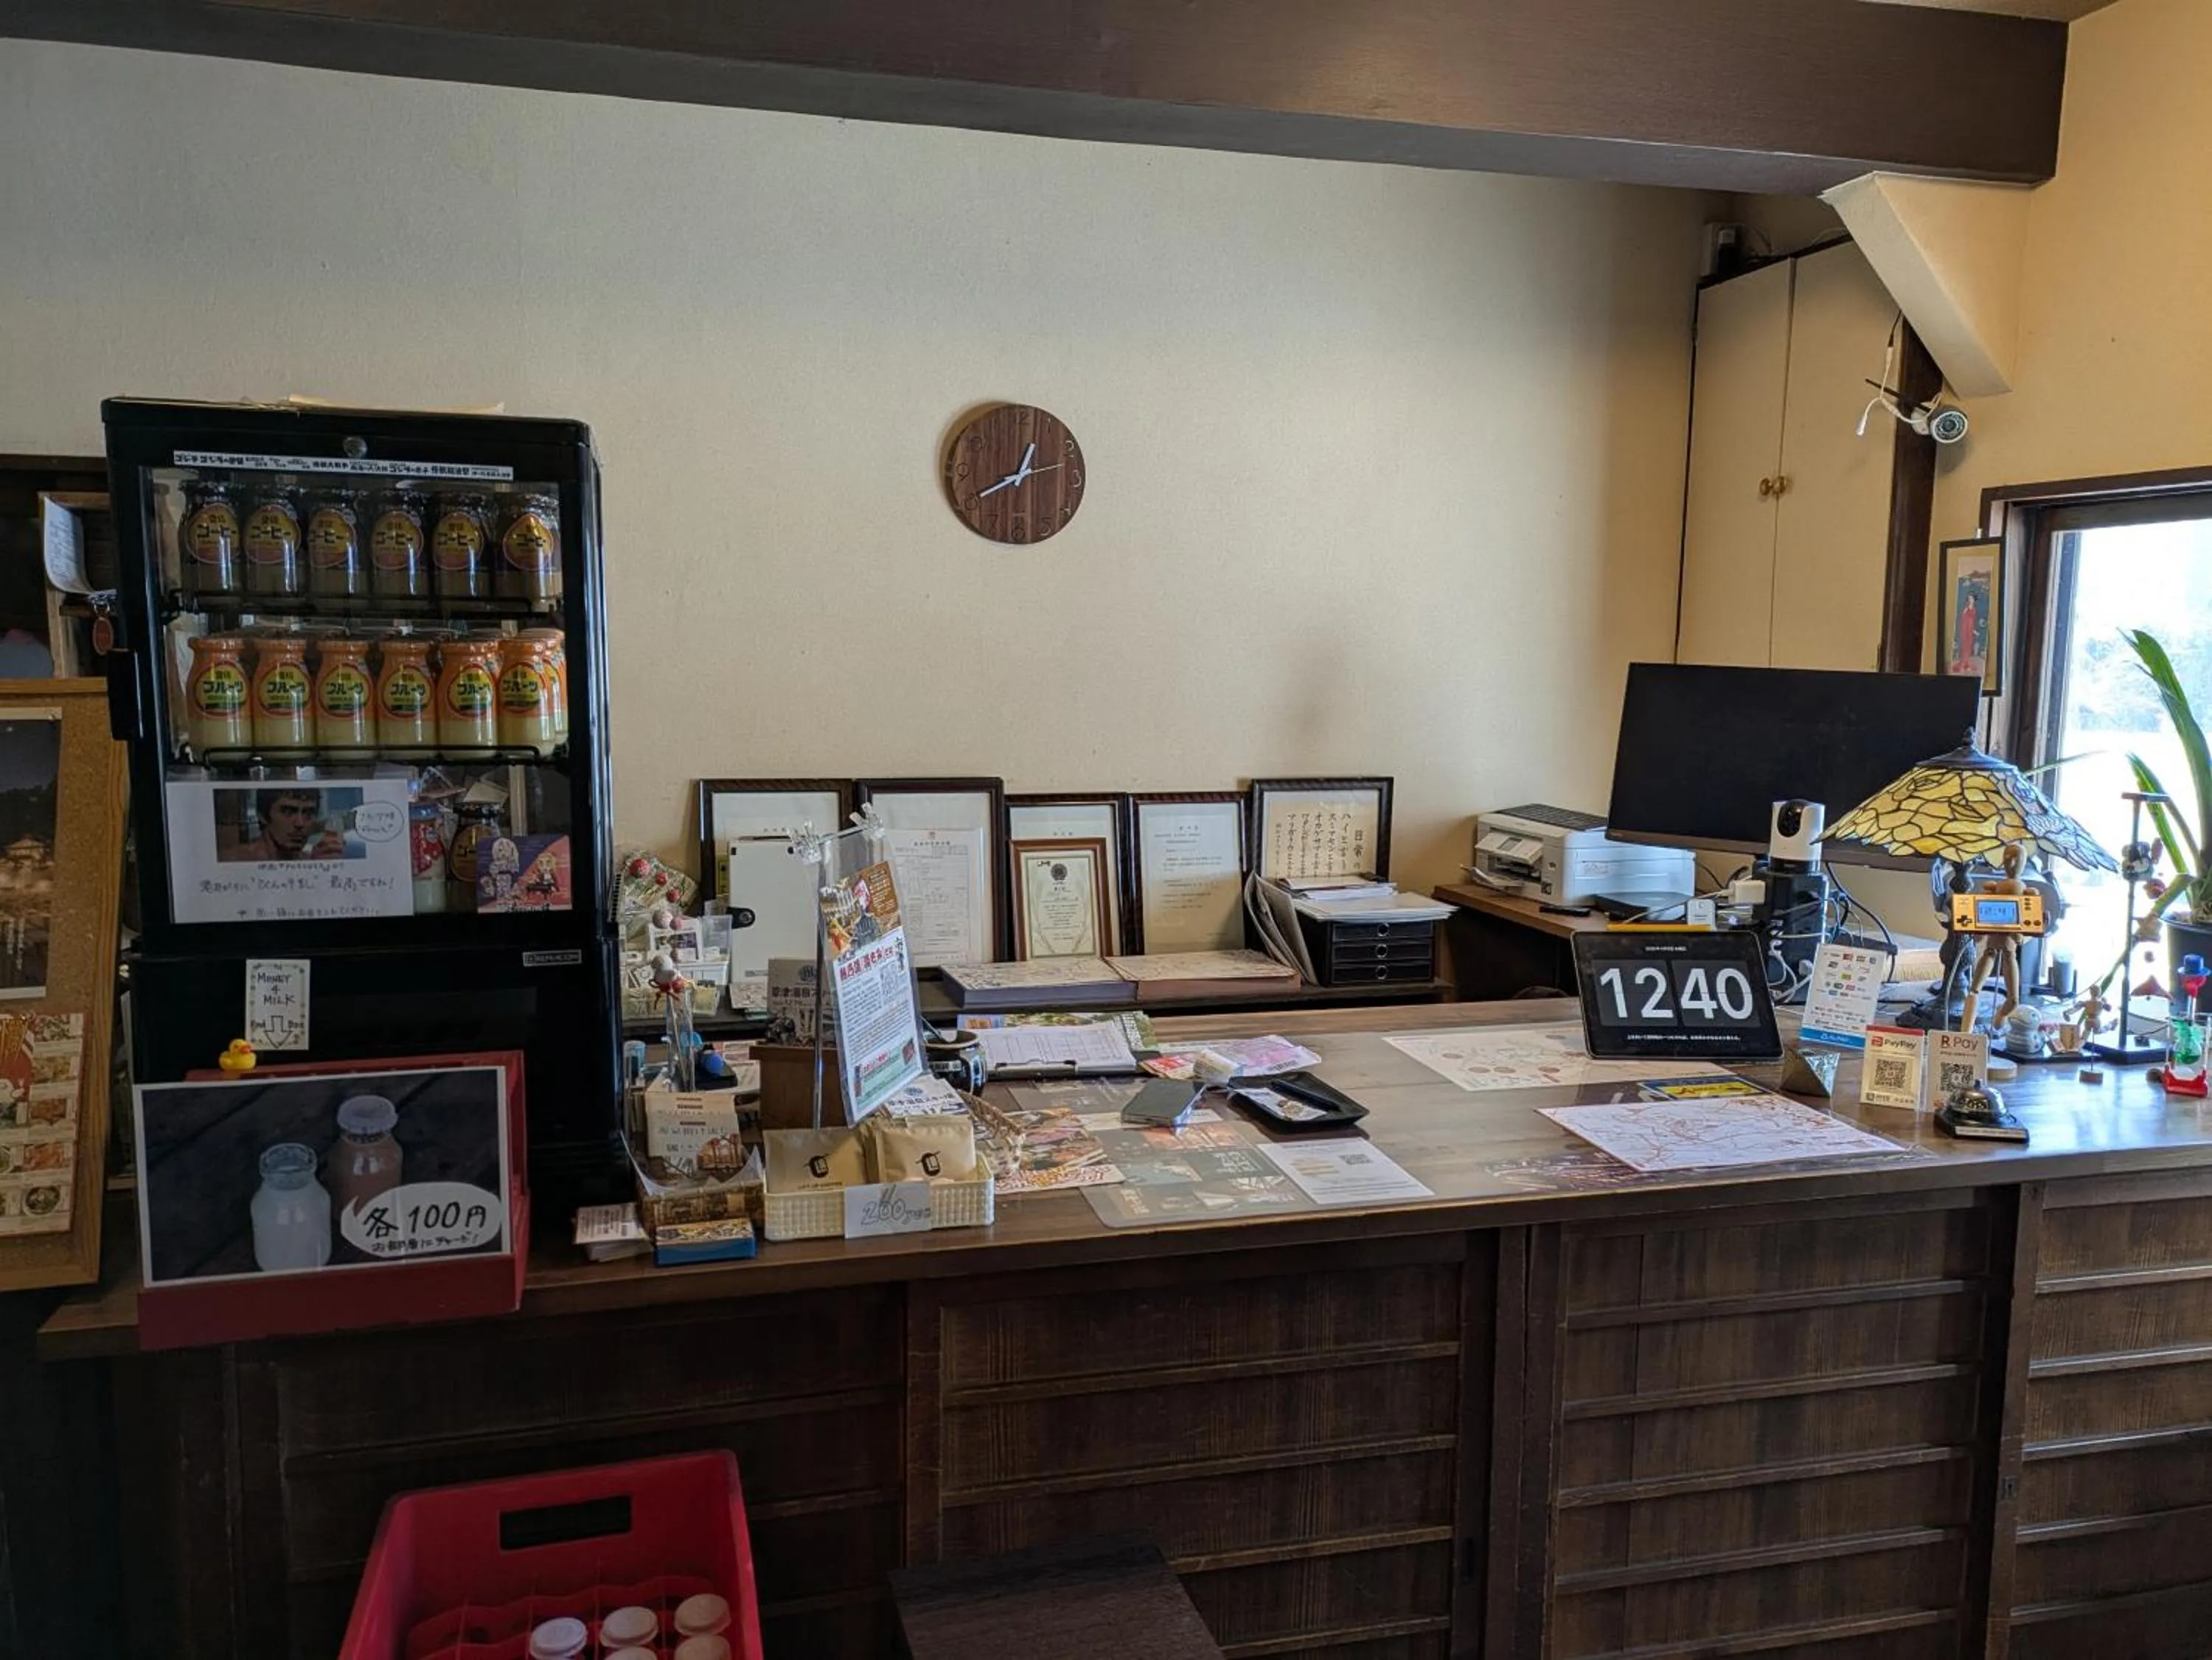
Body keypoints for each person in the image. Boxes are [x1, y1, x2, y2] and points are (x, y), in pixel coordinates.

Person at [225, 789, 345, 862]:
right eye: (288, 812)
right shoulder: (233, 860)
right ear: (262, 815)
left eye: (308, 813)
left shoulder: (311, 860)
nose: (300, 823)